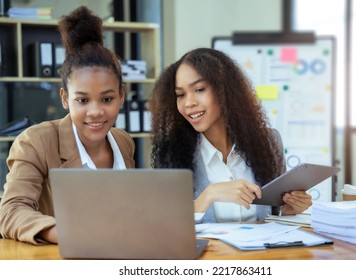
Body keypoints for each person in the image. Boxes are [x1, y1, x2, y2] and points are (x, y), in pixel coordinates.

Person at [0, 6, 135, 244]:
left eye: (107, 99)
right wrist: (67, 233)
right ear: (65, 98)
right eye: (82, 100)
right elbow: (10, 211)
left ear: (121, 96)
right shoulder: (36, 141)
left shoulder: (123, 142)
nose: (95, 112)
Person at [149, 48, 312, 223]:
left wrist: (289, 210)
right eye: (180, 95)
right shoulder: (170, 153)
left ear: (224, 90)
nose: (189, 103)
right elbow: (164, 223)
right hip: (209, 251)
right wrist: (210, 195)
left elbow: (273, 215)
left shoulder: (268, 142)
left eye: (199, 89)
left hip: (261, 250)